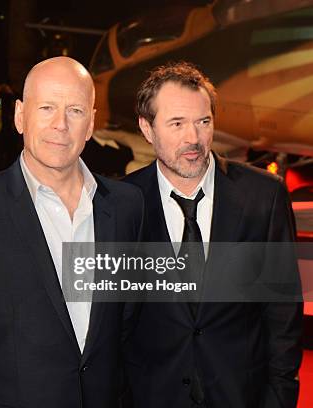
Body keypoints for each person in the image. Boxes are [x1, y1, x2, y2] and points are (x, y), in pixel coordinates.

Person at [0, 56, 144, 407]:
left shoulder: (127, 206)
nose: (60, 124)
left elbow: (127, 321)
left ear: (91, 122)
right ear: (20, 116)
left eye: (75, 110)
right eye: (46, 107)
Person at [122, 62, 302, 407]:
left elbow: (282, 316)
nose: (193, 138)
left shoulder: (263, 196)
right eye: (177, 123)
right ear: (147, 128)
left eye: (203, 122)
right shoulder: (122, 203)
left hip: (241, 395)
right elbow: (112, 327)